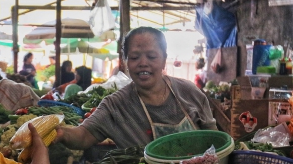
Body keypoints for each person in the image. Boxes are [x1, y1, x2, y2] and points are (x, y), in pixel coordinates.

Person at [55, 26, 217, 150]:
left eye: (151, 56)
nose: (143, 63)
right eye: (134, 57)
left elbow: (215, 139)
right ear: (125, 62)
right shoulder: (115, 106)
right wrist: (62, 133)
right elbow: (83, 135)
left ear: (163, 59)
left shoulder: (189, 92)